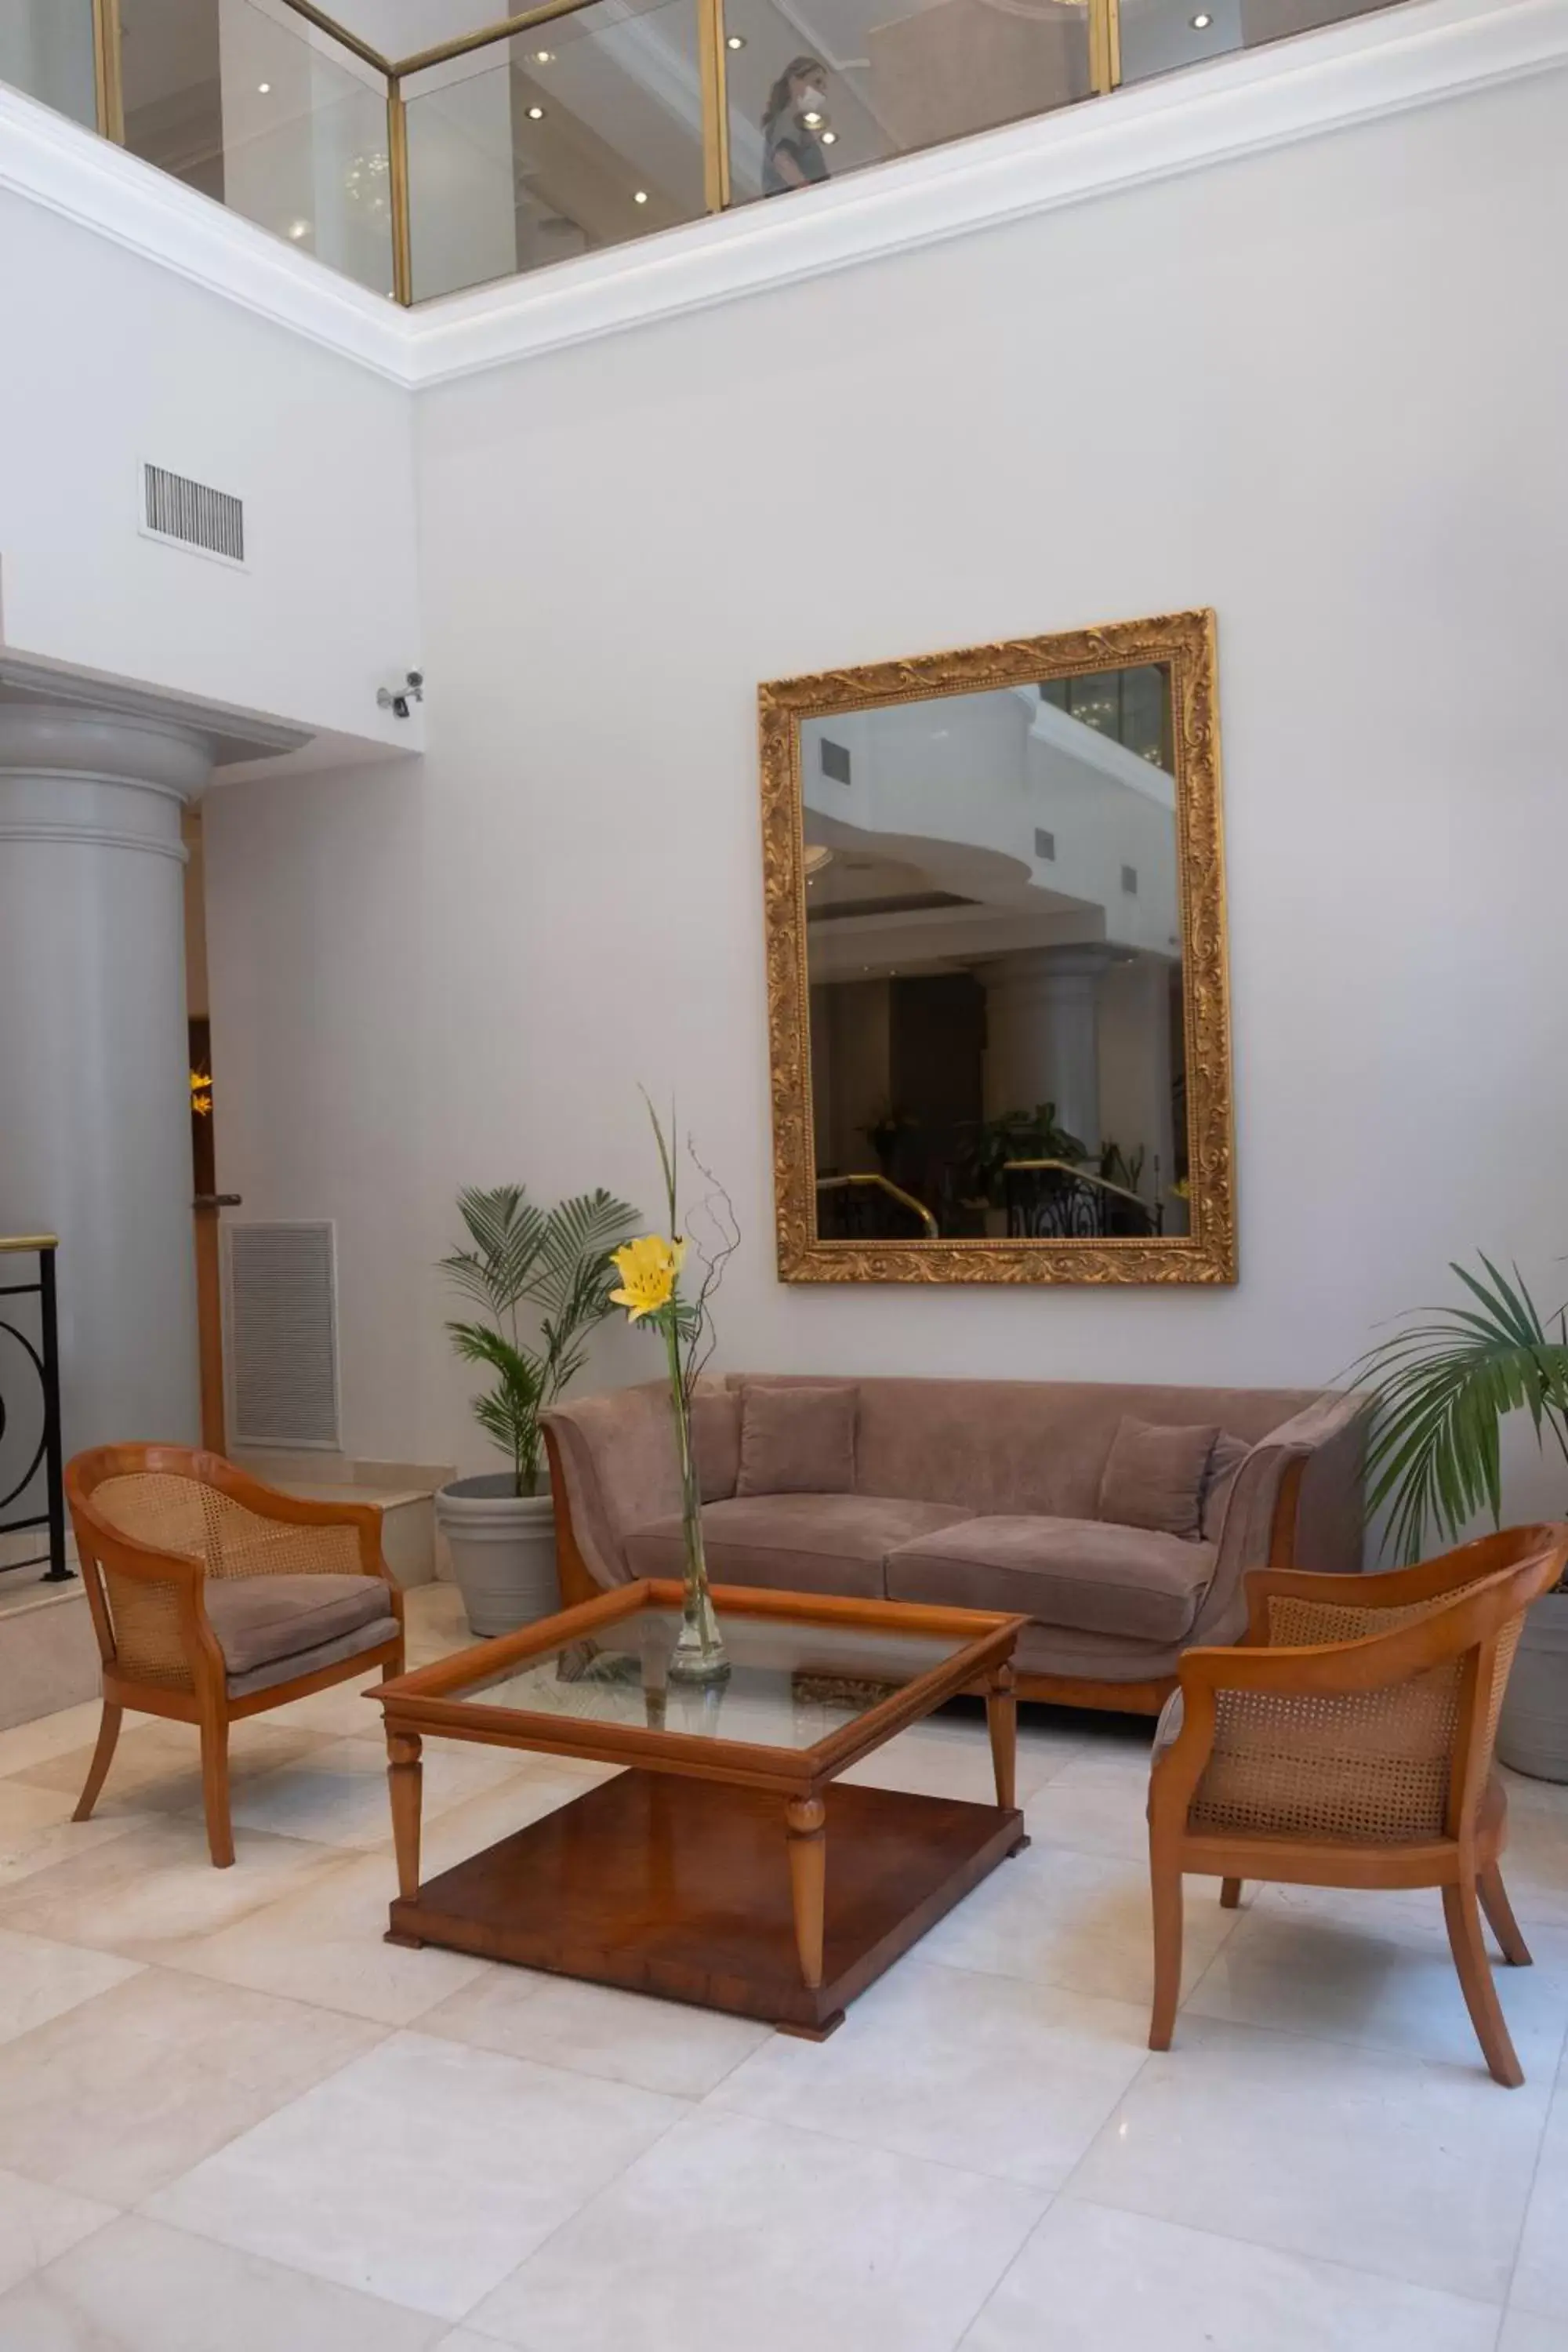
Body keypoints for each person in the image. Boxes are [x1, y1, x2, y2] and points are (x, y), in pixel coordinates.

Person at [761, 56, 831, 197]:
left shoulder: (795, 123)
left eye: (824, 86)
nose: (822, 92)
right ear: (794, 82)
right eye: (817, 82)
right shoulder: (789, 119)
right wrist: (808, 194)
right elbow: (782, 160)